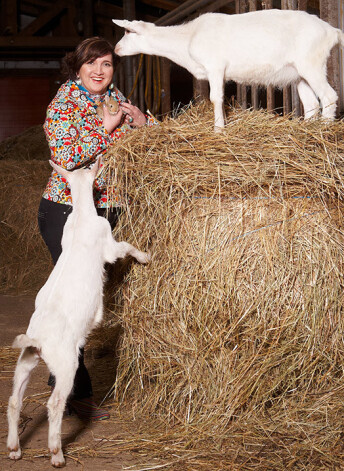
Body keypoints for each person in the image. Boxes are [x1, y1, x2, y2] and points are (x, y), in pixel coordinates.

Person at [38, 36, 157, 421]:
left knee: (93, 298)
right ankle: (71, 392)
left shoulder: (113, 96)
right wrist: (104, 128)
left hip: (108, 210)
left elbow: (147, 139)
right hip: (68, 212)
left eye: (106, 64)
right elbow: (65, 157)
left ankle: (67, 382)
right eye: (91, 63)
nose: (99, 71)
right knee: (75, 301)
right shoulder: (63, 103)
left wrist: (143, 122)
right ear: (77, 66)